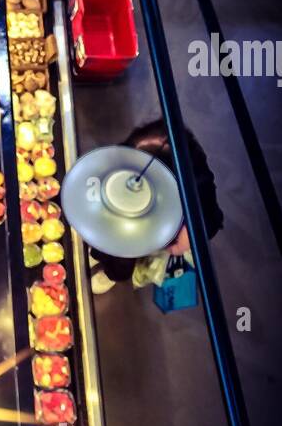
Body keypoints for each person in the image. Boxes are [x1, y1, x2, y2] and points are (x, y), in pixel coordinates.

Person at [89, 118, 224, 294]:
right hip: (137, 224)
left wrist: (180, 241)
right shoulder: (131, 158)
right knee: (109, 238)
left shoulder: (197, 200)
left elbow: (207, 223)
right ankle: (101, 253)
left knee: (124, 258)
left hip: (156, 232)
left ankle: (111, 274)